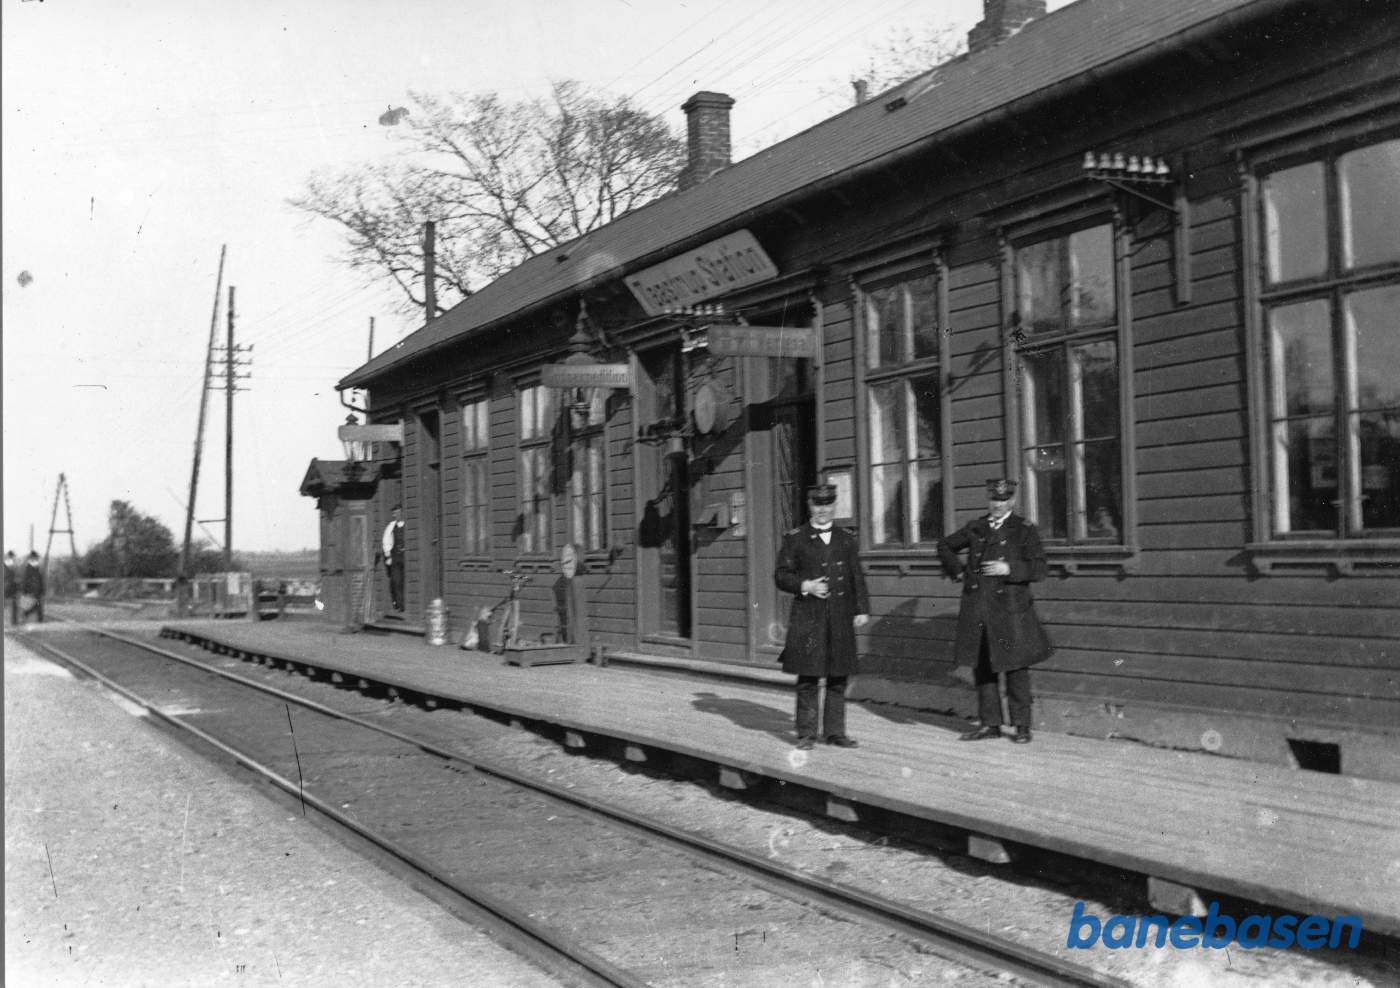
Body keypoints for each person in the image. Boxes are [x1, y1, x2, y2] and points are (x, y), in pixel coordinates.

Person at [937, 478, 1053, 744]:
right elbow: (944, 546)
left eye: (1003, 500)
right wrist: (958, 571)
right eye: (994, 500)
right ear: (988, 500)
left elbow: (1039, 568)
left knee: (1016, 669)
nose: (998, 505)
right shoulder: (976, 527)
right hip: (979, 609)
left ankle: (1022, 726)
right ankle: (991, 724)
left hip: (1011, 611)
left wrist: (1009, 568)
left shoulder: (1024, 529)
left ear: (1011, 501)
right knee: (984, 669)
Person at [775, 484, 870, 750]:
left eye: (827, 506)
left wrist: (861, 609)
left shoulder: (846, 538)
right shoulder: (795, 538)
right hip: (809, 617)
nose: (823, 511)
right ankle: (806, 734)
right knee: (808, 677)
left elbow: (856, 576)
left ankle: (835, 732)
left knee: (838, 676)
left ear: (834, 507)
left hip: (840, 616)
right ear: (810, 507)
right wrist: (807, 586)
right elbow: (781, 575)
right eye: (818, 506)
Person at [382, 504, 405, 612]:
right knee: (396, 581)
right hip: (395, 557)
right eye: (395, 513)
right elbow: (386, 540)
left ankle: (404, 604)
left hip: (405, 557)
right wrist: (387, 555)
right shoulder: (391, 526)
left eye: (398, 512)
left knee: (405, 580)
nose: (396, 515)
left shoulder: (406, 524)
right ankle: (400, 605)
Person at [19, 550, 46, 624]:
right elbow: (24, 581)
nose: (36, 560)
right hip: (31, 592)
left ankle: (38, 620)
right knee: (35, 606)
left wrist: (42, 590)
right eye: (35, 558)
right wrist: (25, 591)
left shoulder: (37, 568)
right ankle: (25, 616)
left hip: (37, 592)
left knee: (37, 606)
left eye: (36, 558)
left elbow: (40, 581)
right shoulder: (28, 569)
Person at [4, 550, 17, 624]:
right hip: (5, 589)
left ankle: (14, 622)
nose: (13, 559)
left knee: (14, 607)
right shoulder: (4, 567)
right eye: (11, 557)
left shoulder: (12, 567)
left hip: (11, 590)